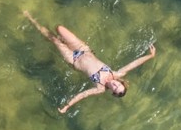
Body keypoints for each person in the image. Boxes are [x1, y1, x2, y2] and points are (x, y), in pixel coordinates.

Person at [23, 10, 156, 113]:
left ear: (113, 92)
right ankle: (59, 37)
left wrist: (67, 106)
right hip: (83, 49)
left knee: (54, 40)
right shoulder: (116, 74)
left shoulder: (99, 88)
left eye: (115, 88)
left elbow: (83, 94)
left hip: (73, 59)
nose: (115, 84)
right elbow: (133, 64)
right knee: (59, 29)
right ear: (119, 82)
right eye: (118, 84)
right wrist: (150, 56)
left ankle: (31, 19)